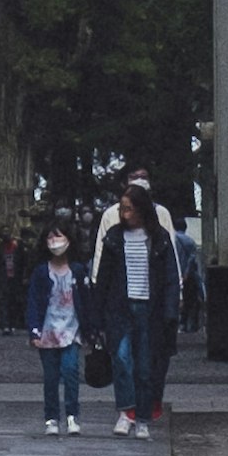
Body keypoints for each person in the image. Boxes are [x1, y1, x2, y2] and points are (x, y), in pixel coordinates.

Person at [99, 177, 180, 435]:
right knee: (122, 360)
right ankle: (126, 411)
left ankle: (142, 416)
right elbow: (104, 277)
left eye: (129, 208)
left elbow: (169, 278)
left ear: (142, 209)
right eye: (122, 208)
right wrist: (97, 313)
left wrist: (170, 312)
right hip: (120, 306)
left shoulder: (159, 238)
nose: (124, 214)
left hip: (149, 308)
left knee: (145, 366)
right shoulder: (114, 237)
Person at [26, 216, 87, 433]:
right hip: (48, 330)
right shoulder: (41, 272)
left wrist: (92, 328)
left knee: (71, 371)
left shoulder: (78, 270)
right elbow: (33, 301)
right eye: (50, 237)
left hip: (72, 330)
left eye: (58, 236)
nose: (54, 241)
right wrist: (33, 329)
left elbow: (86, 300)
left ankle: (72, 415)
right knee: (50, 377)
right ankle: (51, 417)